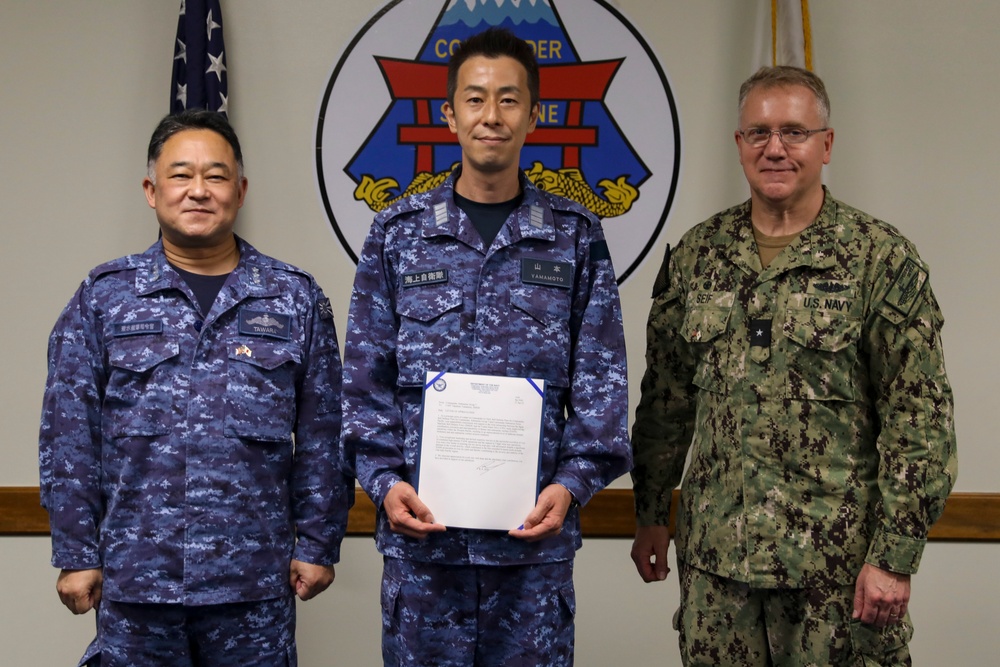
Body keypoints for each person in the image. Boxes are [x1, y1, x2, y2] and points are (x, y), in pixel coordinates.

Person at [629, 65, 957, 666]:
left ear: (826, 145)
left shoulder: (878, 258)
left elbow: (920, 421)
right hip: (717, 572)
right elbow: (666, 402)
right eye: (757, 133)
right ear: (738, 145)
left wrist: (894, 555)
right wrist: (651, 513)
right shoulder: (699, 254)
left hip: (834, 575)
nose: (774, 148)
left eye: (793, 132)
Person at [340, 27, 631, 666]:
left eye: (507, 99)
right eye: (475, 100)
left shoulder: (575, 238)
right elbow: (363, 382)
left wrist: (576, 483)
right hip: (424, 556)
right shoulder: (397, 235)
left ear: (532, 114)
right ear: (449, 115)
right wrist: (385, 483)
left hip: (531, 552)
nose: (490, 116)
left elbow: (601, 384)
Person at [38, 109, 352, 666]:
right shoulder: (105, 296)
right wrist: (76, 551)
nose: (198, 191)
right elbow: (69, 434)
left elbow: (325, 435)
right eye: (181, 175)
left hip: (254, 587)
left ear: (241, 189)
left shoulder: (294, 297)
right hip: (137, 583)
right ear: (151, 190)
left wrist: (318, 543)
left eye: (216, 175)